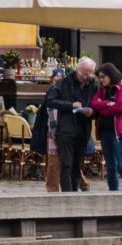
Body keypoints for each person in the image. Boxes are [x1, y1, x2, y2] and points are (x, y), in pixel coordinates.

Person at [48, 56, 99, 192]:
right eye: (83, 73)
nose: (85, 77)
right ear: (77, 70)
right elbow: (50, 100)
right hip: (66, 130)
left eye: (88, 74)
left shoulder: (93, 86)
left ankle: (74, 193)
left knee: (77, 165)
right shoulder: (64, 83)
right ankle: (67, 195)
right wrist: (70, 105)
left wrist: (91, 113)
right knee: (66, 164)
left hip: (83, 129)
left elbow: (98, 108)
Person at [92, 62, 122, 192]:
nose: (101, 80)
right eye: (99, 77)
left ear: (111, 75)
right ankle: (113, 193)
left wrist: (103, 108)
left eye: (103, 77)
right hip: (105, 132)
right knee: (110, 166)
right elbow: (94, 103)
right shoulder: (102, 89)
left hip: (118, 132)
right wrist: (108, 104)